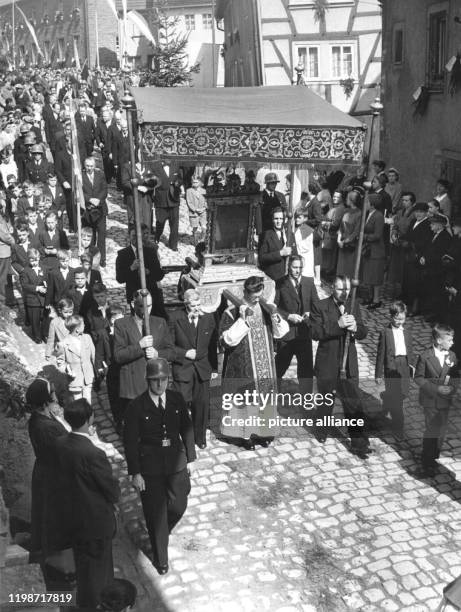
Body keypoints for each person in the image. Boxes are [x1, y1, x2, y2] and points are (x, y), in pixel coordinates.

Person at [123, 358, 196, 575]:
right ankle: (160, 558)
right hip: (150, 467)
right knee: (156, 514)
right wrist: (135, 472)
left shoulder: (176, 399)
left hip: (176, 461)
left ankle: (160, 530)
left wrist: (191, 458)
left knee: (178, 505)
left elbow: (187, 427)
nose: (160, 385)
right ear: (148, 381)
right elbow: (130, 442)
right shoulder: (136, 406)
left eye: (163, 380)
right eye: (155, 380)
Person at [56, 399, 120, 609]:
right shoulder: (93, 453)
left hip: (73, 519)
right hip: (95, 523)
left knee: (84, 569)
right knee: (100, 573)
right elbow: (110, 488)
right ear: (89, 419)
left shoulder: (61, 444)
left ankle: (86, 602)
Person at [219, 276, 289, 450]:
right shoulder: (231, 311)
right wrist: (243, 321)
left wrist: (275, 316)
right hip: (242, 366)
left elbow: (281, 333)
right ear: (245, 292)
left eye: (259, 295)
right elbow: (225, 341)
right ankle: (246, 435)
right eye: (253, 296)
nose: (257, 299)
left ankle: (264, 433)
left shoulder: (265, 308)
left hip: (264, 363)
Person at [310, 275, 371, 456]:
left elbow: (363, 331)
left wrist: (355, 329)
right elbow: (315, 332)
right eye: (339, 289)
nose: (344, 293)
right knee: (326, 401)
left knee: (353, 403)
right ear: (331, 289)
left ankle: (358, 442)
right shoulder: (320, 306)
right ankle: (322, 430)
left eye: (346, 289)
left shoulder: (353, 305)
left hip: (348, 364)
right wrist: (337, 325)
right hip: (327, 363)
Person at [114, 290, 175, 431]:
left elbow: (172, 352)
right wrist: (139, 346)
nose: (147, 310)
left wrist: (157, 353)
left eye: (150, 306)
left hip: (155, 382)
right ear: (132, 304)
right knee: (136, 427)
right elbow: (118, 356)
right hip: (133, 386)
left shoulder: (160, 322)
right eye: (142, 306)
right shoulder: (121, 324)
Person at [26, 378, 69, 564]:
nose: (54, 395)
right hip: (53, 475)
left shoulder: (45, 416)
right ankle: (56, 558)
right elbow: (62, 453)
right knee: (54, 517)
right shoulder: (45, 427)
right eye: (51, 392)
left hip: (47, 470)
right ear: (44, 399)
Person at [168, 289, 217, 449]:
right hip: (183, 368)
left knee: (201, 405)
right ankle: (182, 437)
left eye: (198, 304)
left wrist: (214, 368)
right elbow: (168, 346)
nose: (196, 308)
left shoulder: (208, 318)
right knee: (181, 405)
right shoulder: (175, 318)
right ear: (185, 304)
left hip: (202, 368)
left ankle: (199, 437)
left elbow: (212, 345)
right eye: (193, 306)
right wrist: (184, 353)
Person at [415, 324, 459, 476]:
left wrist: (452, 389)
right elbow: (419, 379)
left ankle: (434, 457)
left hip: (445, 401)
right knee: (431, 430)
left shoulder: (451, 356)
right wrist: (436, 389)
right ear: (439, 340)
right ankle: (427, 461)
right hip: (430, 400)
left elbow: (454, 377)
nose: (452, 343)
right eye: (450, 340)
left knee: (441, 431)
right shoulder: (425, 356)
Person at [274, 256, 319, 394]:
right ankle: (273, 394)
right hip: (287, 335)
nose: (297, 270)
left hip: (304, 334)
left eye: (300, 267)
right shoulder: (280, 283)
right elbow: (274, 308)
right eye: (294, 267)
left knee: (306, 373)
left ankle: (306, 404)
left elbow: (316, 305)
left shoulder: (309, 282)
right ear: (288, 266)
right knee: (279, 368)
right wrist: (288, 316)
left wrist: (310, 314)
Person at [375, 301, 415, 434]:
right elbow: (380, 354)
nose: (399, 321)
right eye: (397, 318)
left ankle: (386, 402)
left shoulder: (407, 331)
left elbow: (410, 349)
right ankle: (398, 426)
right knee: (397, 399)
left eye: (402, 319)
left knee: (402, 392)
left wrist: (412, 365)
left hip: (404, 365)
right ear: (391, 316)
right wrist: (378, 374)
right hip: (391, 367)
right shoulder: (385, 332)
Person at [115, 225, 166, 318]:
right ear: (129, 236)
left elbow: (160, 274)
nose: (136, 238)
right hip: (134, 296)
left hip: (151, 294)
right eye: (133, 236)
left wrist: (149, 272)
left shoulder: (151, 252)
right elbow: (119, 278)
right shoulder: (122, 255)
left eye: (138, 236)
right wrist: (131, 268)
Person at [401, 202, 433, 317]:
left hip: (418, 257)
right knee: (408, 281)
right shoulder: (413, 222)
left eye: (421, 212)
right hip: (409, 256)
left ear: (426, 213)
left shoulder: (427, 224)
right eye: (416, 211)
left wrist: (410, 244)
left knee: (416, 283)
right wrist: (401, 238)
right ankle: (407, 305)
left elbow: (426, 242)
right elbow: (408, 235)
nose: (418, 214)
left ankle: (415, 308)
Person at [59, 315, 95, 402]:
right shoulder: (62, 344)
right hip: (75, 380)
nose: (85, 325)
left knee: (88, 401)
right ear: (77, 329)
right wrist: (67, 370)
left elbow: (93, 356)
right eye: (83, 324)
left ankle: (89, 415)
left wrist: (95, 372)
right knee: (78, 402)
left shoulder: (87, 338)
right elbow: (60, 363)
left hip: (88, 377)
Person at [387, 191, 415, 297]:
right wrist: (393, 234)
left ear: (412, 202)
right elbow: (395, 226)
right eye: (403, 200)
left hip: (405, 245)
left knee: (403, 269)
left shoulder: (413, 215)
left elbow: (410, 230)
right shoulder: (399, 212)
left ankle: (402, 292)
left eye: (406, 200)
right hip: (396, 244)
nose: (404, 202)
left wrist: (402, 239)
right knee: (394, 268)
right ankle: (392, 291)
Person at [82, 156, 108, 267]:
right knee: (91, 236)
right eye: (87, 166)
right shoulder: (81, 177)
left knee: (101, 235)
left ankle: (102, 258)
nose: (89, 168)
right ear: (84, 166)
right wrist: (89, 199)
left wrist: (99, 199)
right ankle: (91, 257)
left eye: (91, 166)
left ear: (95, 166)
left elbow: (105, 189)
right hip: (88, 210)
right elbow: (78, 192)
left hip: (100, 209)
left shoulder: (100, 175)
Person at [361, 193, 385, 310]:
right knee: (370, 275)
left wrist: (363, 236)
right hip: (368, 249)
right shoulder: (369, 214)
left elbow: (377, 235)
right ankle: (371, 297)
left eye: (366, 202)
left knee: (375, 277)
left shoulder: (379, 216)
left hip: (376, 251)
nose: (365, 204)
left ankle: (376, 300)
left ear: (372, 204)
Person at [20, 248, 47, 343]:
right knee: (34, 320)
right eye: (32, 260)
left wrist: (46, 286)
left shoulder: (44, 268)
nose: (34, 262)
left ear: (39, 258)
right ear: (28, 259)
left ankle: (44, 334)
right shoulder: (25, 271)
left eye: (36, 260)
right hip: (33, 299)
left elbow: (47, 279)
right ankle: (37, 336)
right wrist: (37, 288)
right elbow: (25, 285)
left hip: (43, 298)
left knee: (44, 318)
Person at [152, 162, 182, 252]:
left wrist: (178, 183)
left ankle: (173, 245)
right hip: (161, 200)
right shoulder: (155, 167)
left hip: (174, 199)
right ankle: (157, 236)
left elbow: (180, 179)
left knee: (174, 224)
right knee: (160, 222)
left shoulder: (176, 165)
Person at [258, 207, 292, 282]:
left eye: (281, 218)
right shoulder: (266, 235)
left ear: (285, 220)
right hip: (273, 277)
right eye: (276, 219)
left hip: (288, 277)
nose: (278, 221)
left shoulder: (289, 234)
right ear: (272, 220)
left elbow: (294, 254)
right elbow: (262, 258)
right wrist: (280, 253)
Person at [336, 189, 362, 278]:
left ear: (352, 200)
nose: (346, 199)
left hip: (351, 245)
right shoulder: (346, 211)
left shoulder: (359, 213)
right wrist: (339, 239)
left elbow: (356, 232)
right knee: (340, 267)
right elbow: (341, 227)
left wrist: (345, 241)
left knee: (349, 268)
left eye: (347, 198)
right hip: (342, 243)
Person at [321, 190, 345, 279]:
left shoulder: (340, 208)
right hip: (328, 234)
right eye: (334, 196)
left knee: (330, 255)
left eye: (337, 197)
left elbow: (335, 224)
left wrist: (323, 224)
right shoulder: (334, 207)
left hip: (332, 235)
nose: (335, 198)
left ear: (341, 198)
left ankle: (328, 272)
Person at [293, 209, 315, 279]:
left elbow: (306, 246)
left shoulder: (308, 230)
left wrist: (295, 244)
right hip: (296, 254)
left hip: (304, 256)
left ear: (305, 219)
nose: (297, 219)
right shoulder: (295, 228)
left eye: (299, 218)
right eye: (296, 217)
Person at [185, 177, 207, 244]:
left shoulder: (204, 191)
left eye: (196, 182)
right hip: (194, 213)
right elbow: (189, 202)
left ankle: (202, 240)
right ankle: (196, 243)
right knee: (195, 229)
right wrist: (195, 209)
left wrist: (204, 208)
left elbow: (206, 201)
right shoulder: (189, 191)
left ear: (200, 183)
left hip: (202, 212)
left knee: (204, 228)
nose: (194, 183)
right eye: (193, 182)